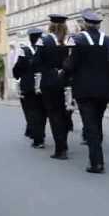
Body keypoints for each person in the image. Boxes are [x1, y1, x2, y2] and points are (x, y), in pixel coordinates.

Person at [63, 10, 109, 174]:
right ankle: (97, 154)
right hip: (104, 89)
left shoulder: (76, 40)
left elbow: (70, 65)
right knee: (97, 122)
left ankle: (96, 162)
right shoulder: (108, 40)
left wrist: (64, 71)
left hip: (84, 90)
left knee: (90, 124)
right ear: (98, 24)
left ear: (84, 24)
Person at [32, 14, 70, 160]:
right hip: (66, 81)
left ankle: (60, 149)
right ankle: (64, 144)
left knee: (54, 115)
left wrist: (47, 68)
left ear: (51, 26)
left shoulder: (44, 40)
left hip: (49, 82)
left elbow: (35, 61)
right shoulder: (69, 40)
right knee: (65, 114)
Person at [13, 28, 47, 148]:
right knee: (42, 112)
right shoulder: (44, 50)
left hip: (28, 86)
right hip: (43, 85)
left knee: (32, 112)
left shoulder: (24, 51)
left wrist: (17, 76)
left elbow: (18, 68)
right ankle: (41, 134)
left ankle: (38, 139)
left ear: (30, 38)